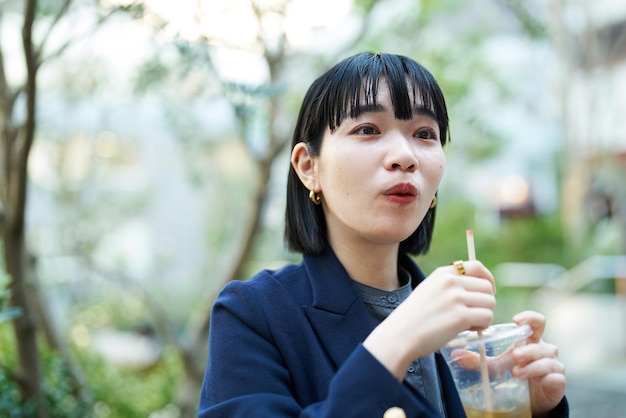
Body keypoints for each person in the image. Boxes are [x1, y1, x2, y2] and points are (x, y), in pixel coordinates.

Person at [198, 52, 568, 417]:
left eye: (424, 134)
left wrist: (529, 409)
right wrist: (397, 340)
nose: (405, 156)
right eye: (368, 130)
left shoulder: (462, 327)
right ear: (309, 167)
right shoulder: (253, 314)